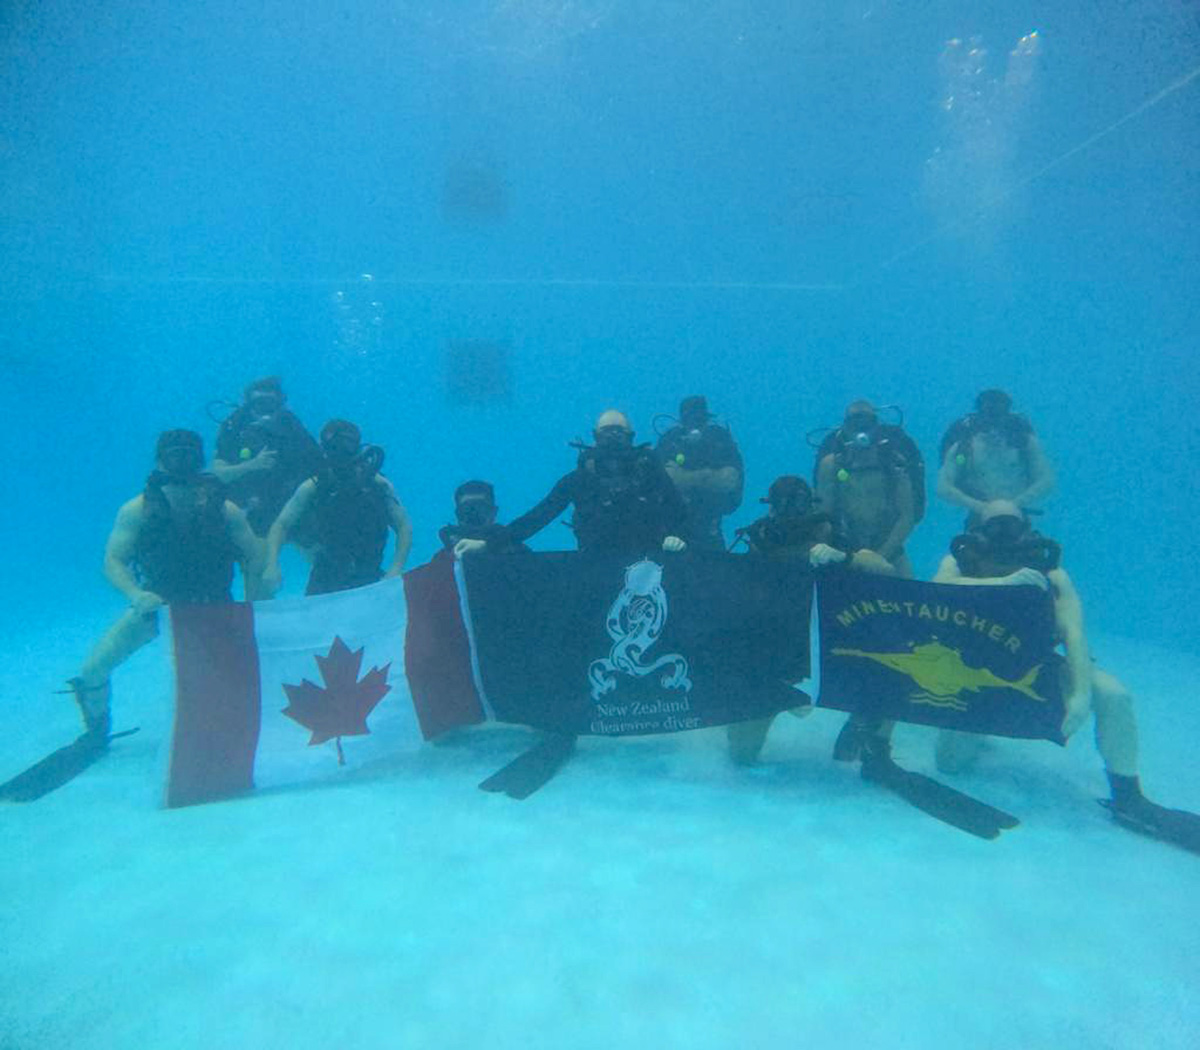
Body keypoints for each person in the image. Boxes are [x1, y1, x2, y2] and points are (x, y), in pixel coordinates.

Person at [932, 500, 1199, 851]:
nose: (1004, 534)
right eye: (994, 526)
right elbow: (935, 594)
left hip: (1039, 666)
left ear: (1027, 530)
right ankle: (982, 734)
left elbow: (1073, 633)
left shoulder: (1050, 573)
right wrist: (1006, 583)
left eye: (1012, 525)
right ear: (975, 532)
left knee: (1112, 693)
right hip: (976, 673)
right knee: (951, 764)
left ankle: (1128, 796)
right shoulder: (960, 563)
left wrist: (1081, 696)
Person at [68, 430, 264, 740]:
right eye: (175, 454)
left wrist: (252, 606)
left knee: (217, 680)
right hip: (156, 607)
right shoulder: (137, 510)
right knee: (93, 669)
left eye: (188, 454)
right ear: (162, 460)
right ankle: (96, 727)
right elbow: (113, 561)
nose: (182, 461)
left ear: (199, 461)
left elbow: (255, 557)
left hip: (212, 609)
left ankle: (222, 730)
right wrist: (136, 594)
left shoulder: (224, 510)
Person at [728, 475, 897, 764]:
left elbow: (887, 572)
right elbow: (726, 582)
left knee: (891, 668)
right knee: (741, 755)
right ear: (771, 510)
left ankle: (871, 736)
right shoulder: (762, 536)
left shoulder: (831, 534)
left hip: (834, 641)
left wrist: (844, 558)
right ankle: (781, 701)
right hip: (778, 647)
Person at [457, 410, 688, 557]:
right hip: (592, 568)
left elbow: (680, 513)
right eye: (606, 432)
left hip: (648, 566)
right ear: (595, 437)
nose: (612, 438)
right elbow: (538, 517)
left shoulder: (650, 473)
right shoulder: (579, 480)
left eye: (619, 432)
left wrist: (677, 537)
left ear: (631, 437)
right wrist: (487, 543)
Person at [263, 420, 412, 596]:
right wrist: (271, 564)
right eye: (334, 449)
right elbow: (282, 524)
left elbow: (403, 526)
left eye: (346, 448)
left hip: (369, 575)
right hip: (326, 575)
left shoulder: (378, 485)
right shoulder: (313, 486)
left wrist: (396, 568)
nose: (341, 457)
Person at [815, 401, 920, 577]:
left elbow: (907, 516)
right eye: (854, 422)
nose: (861, 427)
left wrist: (880, 558)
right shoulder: (831, 465)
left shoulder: (894, 463)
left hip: (891, 553)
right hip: (844, 552)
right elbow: (824, 515)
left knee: (907, 601)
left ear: (877, 427)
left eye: (867, 422)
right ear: (844, 429)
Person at [211, 376, 323, 536]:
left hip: (286, 501)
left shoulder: (291, 426)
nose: (265, 411)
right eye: (259, 404)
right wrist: (252, 465)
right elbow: (218, 474)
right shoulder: (234, 427)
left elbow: (317, 463)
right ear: (249, 406)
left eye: (271, 404)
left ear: (280, 404)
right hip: (246, 503)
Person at [937, 388, 1055, 525]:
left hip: (1015, 517)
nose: (994, 424)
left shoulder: (1024, 443)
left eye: (998, 415)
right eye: (989, 415)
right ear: (980, 416)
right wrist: (983, 507)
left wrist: (1013, 505)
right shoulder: (963, 448)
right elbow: (943, 487)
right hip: (982, 518)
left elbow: (1046, 481)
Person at [655, 395, 744, 550]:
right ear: (681, 422)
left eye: (699, 419)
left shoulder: (719, 441)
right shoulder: (669, 442)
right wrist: (709, 479)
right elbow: (656, 484)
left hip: (710, 534)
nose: (694, 425)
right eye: (689, 420)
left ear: (706, 420)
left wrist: (683, 478)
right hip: (671, 534)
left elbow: (730, 481)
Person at [436, 481, 528, 559]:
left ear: (493, 512)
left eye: (481, 509)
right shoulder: (439, 564)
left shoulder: (519, 554)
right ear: (458, 514)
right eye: (467, 510)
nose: (474, 516)